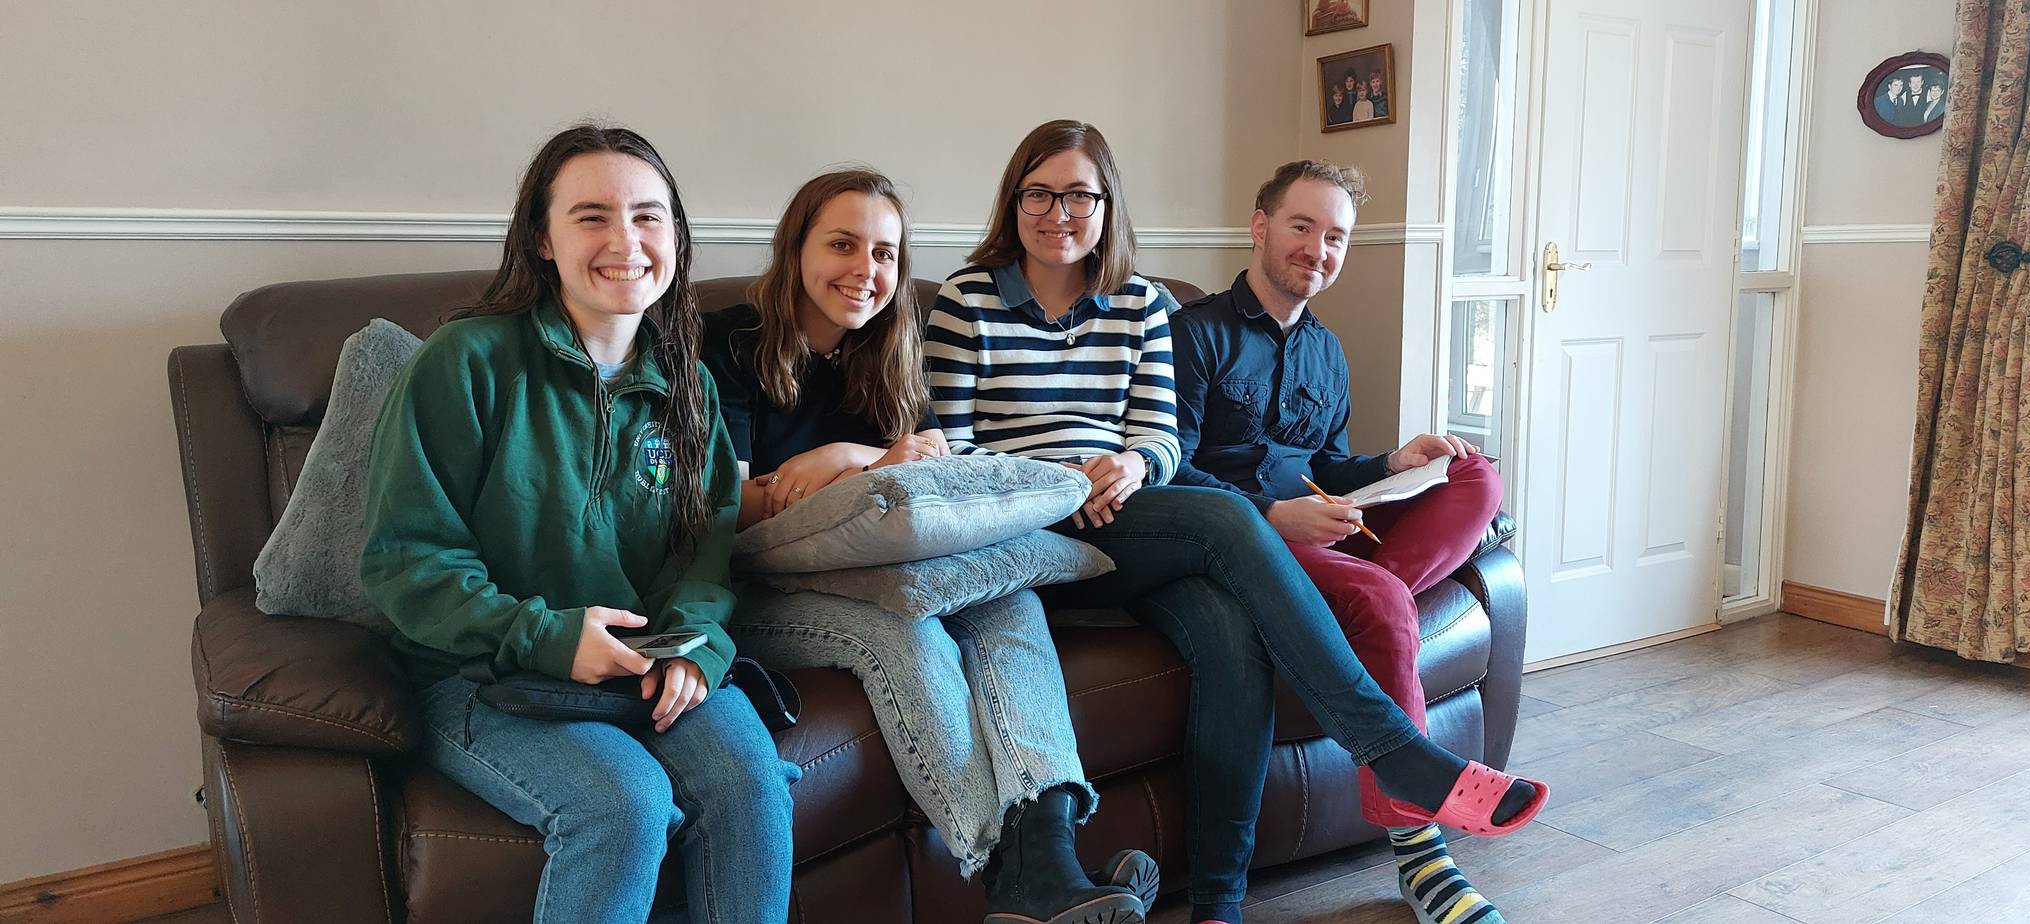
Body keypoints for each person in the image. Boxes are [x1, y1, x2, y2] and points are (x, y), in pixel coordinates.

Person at [925, 119, 1547, 924]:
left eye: (1080, 194)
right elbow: (953, 450)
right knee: (1228, 520)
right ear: (1014, 201)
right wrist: (1060, 483)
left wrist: (1129, 465)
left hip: (1127, 518)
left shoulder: (1142, 303)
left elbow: (1153, 436)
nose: (1059, 211)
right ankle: (1396, 754)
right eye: (1039, 193)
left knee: (1230, 637)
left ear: (1107, 205)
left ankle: (1219, 904)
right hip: (1029, 530)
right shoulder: (966, 301)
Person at [359, 124, 799, 924]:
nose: (624, 241)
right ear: (542, 238)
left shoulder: (690, 387)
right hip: (480, 675)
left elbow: (701, 557)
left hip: (644, 669)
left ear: (675, 236)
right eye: (591, 216)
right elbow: (405, 559)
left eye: (648, 216)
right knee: (623, 805)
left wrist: (695, 651)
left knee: (755, 787)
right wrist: (549, 636)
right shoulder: (465, 362)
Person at [705, 168, 1156, 924]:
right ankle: (1011, 877)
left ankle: (1046, 850)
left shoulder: (891, 352)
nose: (866, 270)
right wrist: (866, 460)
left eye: (885, 254)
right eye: (843, 244)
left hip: (886, 569)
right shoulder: (727, 341)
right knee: (904, 634)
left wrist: (847, 459)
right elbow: (735, 508)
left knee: (1007, 597)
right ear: (796, 247)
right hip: (758, 594)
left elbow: (922, 477)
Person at [1172, 159, 1514, 924]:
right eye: (1302, 227)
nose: (1317, 249)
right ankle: (1422, 857)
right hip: (1247, 542)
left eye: (1336, 237)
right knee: (1383, 597)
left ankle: (1347, 608)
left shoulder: (1328, 350)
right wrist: (1266, 515)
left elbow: (1331, 466)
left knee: (1475, 476)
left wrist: (1395, 465)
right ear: (1260, 228)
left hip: (1327, 531)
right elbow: (1172, 470)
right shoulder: (1193, 335)